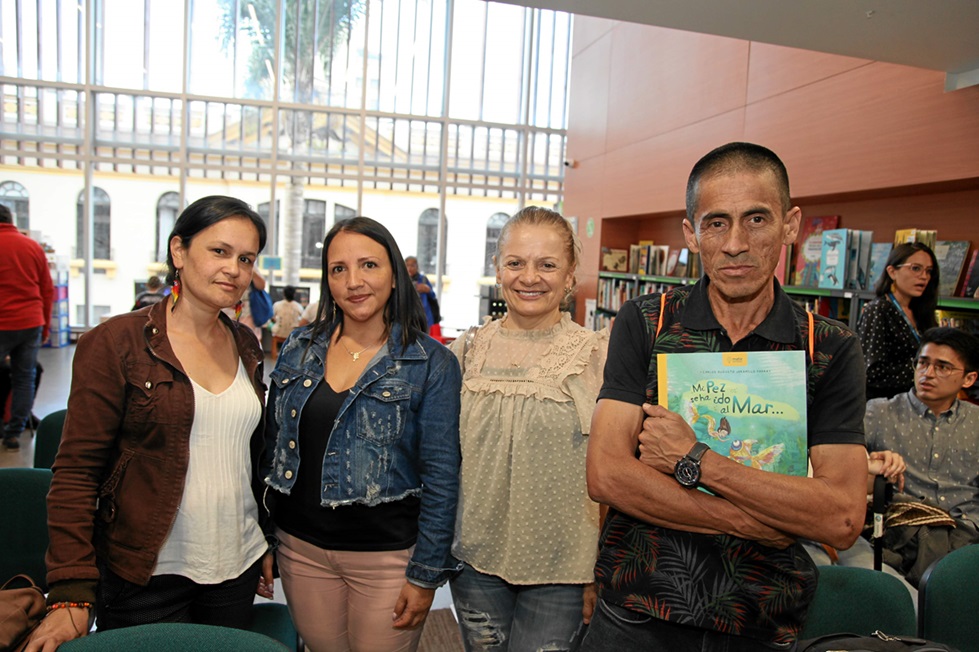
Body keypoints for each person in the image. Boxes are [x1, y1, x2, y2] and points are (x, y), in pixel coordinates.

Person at [583, 142, 869, 650]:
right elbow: (606, 473)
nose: (736, 243)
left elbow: (841, 517)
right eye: (716, 223)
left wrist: (695, 458)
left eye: (756, 219)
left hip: (762, 618)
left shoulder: (828, 347)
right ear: (692, 233)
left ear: (790, 224)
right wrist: (751, 520)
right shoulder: (647, 322)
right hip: (636, 608)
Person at [27, 196, 274, 651]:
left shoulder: (245, 345)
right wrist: (71, 591)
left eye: (246, 258)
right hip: (145, 574)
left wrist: (261, 538)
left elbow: (246, 459)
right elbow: (77, 474)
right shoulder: (117, 342)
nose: (234, 270)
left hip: (235, 568)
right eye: (218, 251)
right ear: (179, 251)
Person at [262, 217, 462, 652]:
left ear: (394, 274)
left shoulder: (430, 363)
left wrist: (426, 572)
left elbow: (443, 476)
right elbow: (271, 447)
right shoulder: (300, 346)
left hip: (386, 560)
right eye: (338, 269)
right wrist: (266, 536)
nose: (354, 282)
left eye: (368, 265)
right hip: (301, 550)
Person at [449, 206, 608, 651]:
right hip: (474, 562)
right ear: (498, 269)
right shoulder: (465, 352)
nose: (529, 277)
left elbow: (614, 470)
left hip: (564, 569)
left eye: (547, 264)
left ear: (571, 274)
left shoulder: (598, 356)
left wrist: (600, 570)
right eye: (516, 262)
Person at [864, 326, 979, 586]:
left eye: (943, 367)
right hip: (903, 540)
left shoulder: (976, 423)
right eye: (923, 363)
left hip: (968, 539)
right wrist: (873, 464)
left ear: (969, 379)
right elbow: (842, 465)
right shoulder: (879, 413)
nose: (928, 374)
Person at [0, 204, 53, 450]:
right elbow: (46, 290)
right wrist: (44, 326)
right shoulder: (32, 246)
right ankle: (14, 434)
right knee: (24, 378)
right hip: (30, 321)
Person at [858, 242, 939, 400]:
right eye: (915, 268)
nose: (924, 276)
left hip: (917, 403)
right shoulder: (879, 309)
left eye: (929, 271)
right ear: (892, 272)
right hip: (885, 406)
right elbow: (871, 372)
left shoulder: (922, 312)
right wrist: (924, 372)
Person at [270, 285, 303, 359]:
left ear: (283, 294)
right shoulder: (298, 306)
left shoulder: (277, 305)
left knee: (270, 326)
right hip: (292, 333)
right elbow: (301, 320)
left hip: (278, 332)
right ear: (294, 294)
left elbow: (272, 318)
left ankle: (274, 355)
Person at [405, 256, 436, 331]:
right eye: (407, 265)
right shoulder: (401, 280)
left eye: (412, 265)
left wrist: (428, 290)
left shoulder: (423, 279)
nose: (409, 268)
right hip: (407, 317)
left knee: (424, 339)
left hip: (423, 317)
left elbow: (433, 296)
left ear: (417, 267)